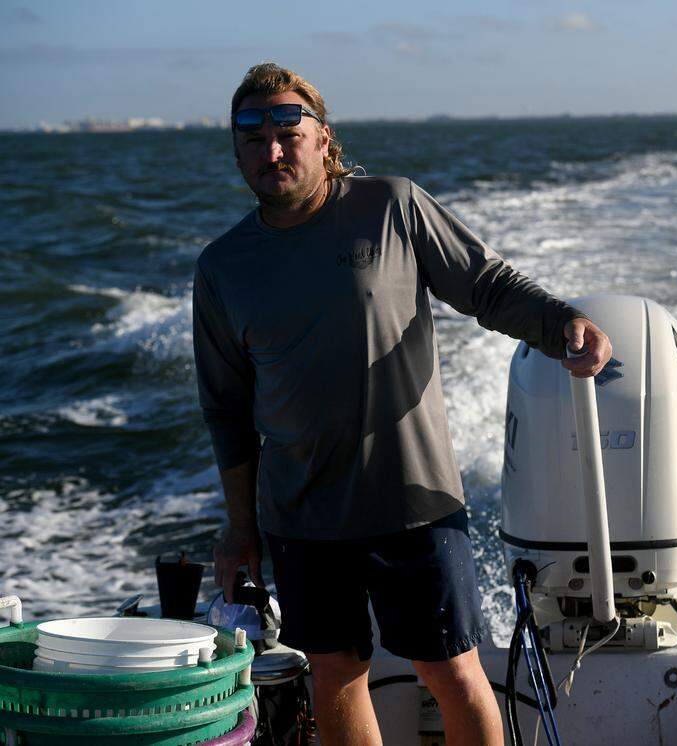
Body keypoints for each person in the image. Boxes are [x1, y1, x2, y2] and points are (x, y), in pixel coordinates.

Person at [193, 62, 612, 746]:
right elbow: (226, 409)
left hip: (411, 500)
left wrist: (561, 321)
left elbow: (486, 285)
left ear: (324, 139)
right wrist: (241, 528)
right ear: (236, 152)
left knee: (451, 672)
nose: (270, 151)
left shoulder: (391, 207)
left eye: (285, 132)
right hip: (301, 514)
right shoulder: (221, 268)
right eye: (251, 139)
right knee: (335, 675)